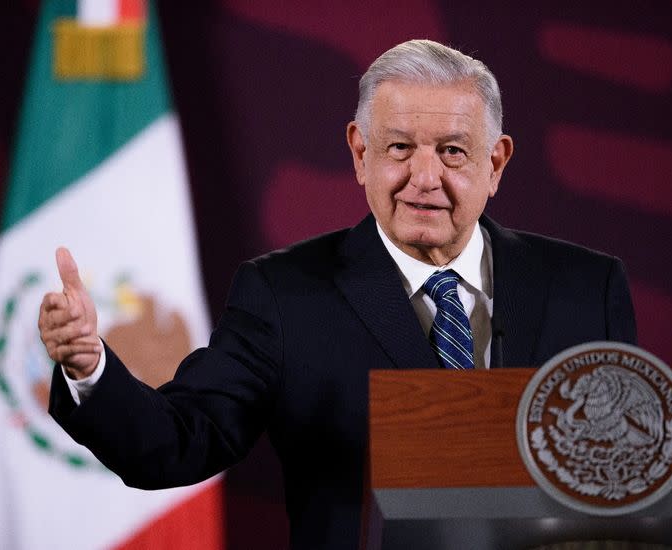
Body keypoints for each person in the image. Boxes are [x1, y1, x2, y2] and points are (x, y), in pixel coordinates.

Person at [39, 40, 637, 549]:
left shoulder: (586, 289)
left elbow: (634, 478)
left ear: (496, 162)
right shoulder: (284, 296)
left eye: (452, 151)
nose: (424, 178)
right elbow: (175, 444)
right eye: (400, 148)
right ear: (360, 154)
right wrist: (90, 368)